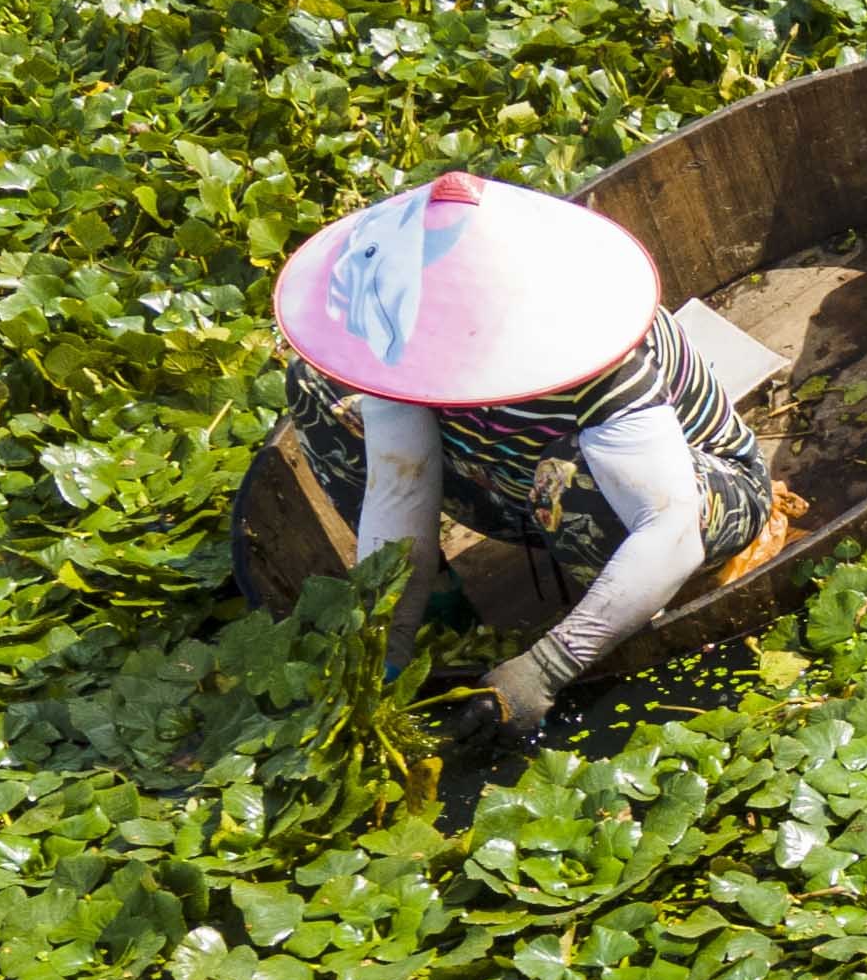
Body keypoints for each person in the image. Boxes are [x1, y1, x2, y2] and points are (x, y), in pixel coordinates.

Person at [274, 171, 777, 738]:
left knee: (574, 479)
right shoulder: (402, 338)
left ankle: (631, 609)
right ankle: (445, 605)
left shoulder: (598, 352)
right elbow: (400, 487)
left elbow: (669, 528)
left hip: (678, 501)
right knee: (324, 387)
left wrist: (544, 668)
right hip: (517, 487)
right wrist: (386, 651)